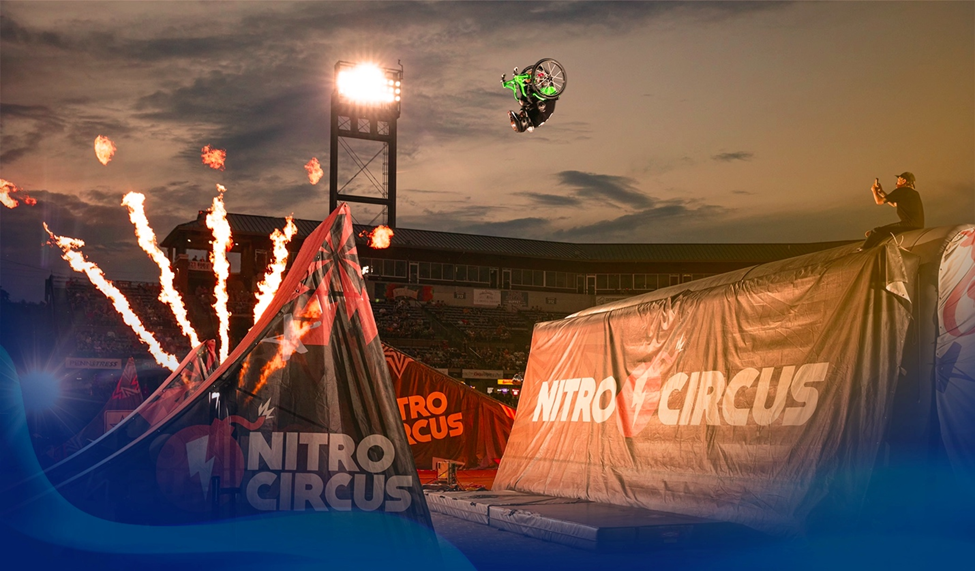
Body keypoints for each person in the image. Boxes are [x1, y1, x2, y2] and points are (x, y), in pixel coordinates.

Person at [861, 171, 924, 250]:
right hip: (918, 225)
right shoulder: (914, 193)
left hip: (907, 225)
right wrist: (880, 192)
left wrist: (874, 191)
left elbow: (879, 201)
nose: (896, 182)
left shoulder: (900, 191)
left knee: (876, 231)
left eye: (898, 180)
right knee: (886, 232)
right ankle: (875, 236)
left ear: (904, 181)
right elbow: (894, 204)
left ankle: (863, 249)